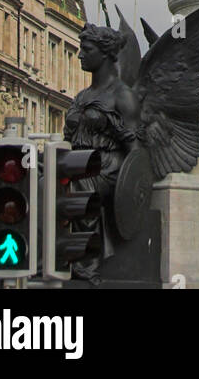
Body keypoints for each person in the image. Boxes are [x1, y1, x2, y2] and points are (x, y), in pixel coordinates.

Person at [64, 25, 139, 285]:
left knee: (78, 184)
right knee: (41, 179)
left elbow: (135, 154)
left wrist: (130, 191)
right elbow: (66, 141)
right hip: (76, 162)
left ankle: (87, 264)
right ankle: (49, 257)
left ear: (105, 53)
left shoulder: (122, 96)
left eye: (87, 49)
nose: (80, 55)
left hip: (107, 166)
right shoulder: (81, 96)